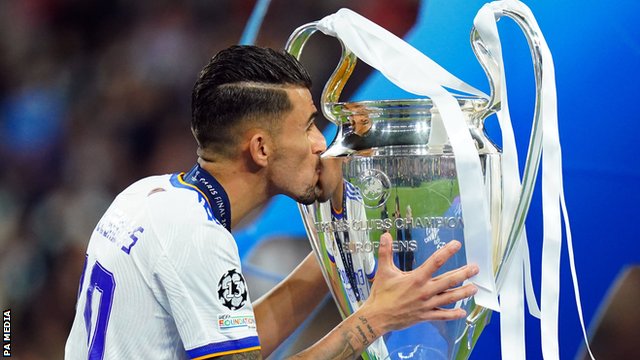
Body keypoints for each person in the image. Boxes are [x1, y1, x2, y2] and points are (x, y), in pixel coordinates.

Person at [64, 45, 479, 360]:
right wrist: (376, 319)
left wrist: (340, 236)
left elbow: (240, 345)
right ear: (261, 148)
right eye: (308, 126)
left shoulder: (147, 197)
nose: (321, 143)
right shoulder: (197, 238)